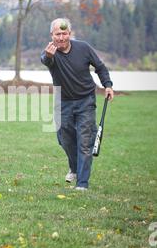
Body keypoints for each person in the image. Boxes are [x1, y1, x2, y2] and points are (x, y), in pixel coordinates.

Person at [41, 18, 114, 190]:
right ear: (52, 35)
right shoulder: (50, 52)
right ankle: (74, 168)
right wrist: (48, 56)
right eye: (57, 34)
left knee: (84, 141)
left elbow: (100, 68)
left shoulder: (84, 48)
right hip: (63, 102)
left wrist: (108, 85)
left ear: (70, 34)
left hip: (85, 101)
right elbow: (46, 60)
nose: (61, 37)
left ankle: (82, 183)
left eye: (64, 33)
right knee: (64, 140)